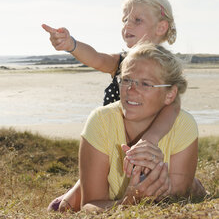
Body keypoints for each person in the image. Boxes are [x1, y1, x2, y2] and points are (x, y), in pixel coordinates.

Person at [42, 0, 181, 211]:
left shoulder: (167, 70)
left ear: (161, 27)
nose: (127, 25)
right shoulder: (122, 61)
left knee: (157, 185)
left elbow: (173, 108)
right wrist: (72, 44)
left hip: (149, 144)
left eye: (137, 20)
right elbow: (96, 58)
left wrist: (150, 139)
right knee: (65, 206)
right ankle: (75, 199)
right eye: (125, 19)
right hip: (110, 142)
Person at [63, 43, 205, 213]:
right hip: (114, 200)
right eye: (126, 80)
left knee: (192, 190)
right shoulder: (100, 121)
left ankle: (197, 185)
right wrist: (127, 202)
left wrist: (157, 190)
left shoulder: (183, 126)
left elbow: (178, 200)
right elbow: (89, 205)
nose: (130, 90)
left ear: (170, 95)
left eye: (145, 84)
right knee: (62, 208)